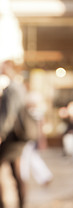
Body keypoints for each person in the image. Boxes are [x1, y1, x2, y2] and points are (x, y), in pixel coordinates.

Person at [0, 60, 27, 208]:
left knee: (14, 170)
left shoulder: (11, 89)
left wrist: (1, 134)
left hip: (11, 137)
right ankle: (21, 203)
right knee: (16, 170)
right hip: (17, 137)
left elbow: (8, 115)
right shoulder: (20, 87)